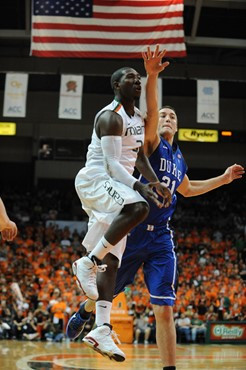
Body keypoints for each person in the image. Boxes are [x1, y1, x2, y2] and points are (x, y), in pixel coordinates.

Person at [67, 46, 245, 369]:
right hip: (132, 224)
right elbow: (145, 120)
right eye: (162, 114)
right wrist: (151, 77)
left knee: (164, 307)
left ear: (177, 127)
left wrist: (224, 178)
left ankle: (168, 367)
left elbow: (189, 189)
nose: (165, 117)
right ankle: (87, 311)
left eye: (171, 116)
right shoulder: (148, 140)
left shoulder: (179, 160)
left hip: (160, 237)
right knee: (105, 287)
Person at [69, 46, 172, 362]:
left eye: (138, 78)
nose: (136, 81)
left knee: (110, 262)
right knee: (138, 207)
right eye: (130, 77)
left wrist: (153, 180)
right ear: (116, 86)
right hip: (98, 179)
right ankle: (86, 261)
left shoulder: (137, 118)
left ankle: (100, 329)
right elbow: (114, 164)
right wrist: (142, 187)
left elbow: (138, 156)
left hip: (114, 185)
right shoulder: (110, 116)